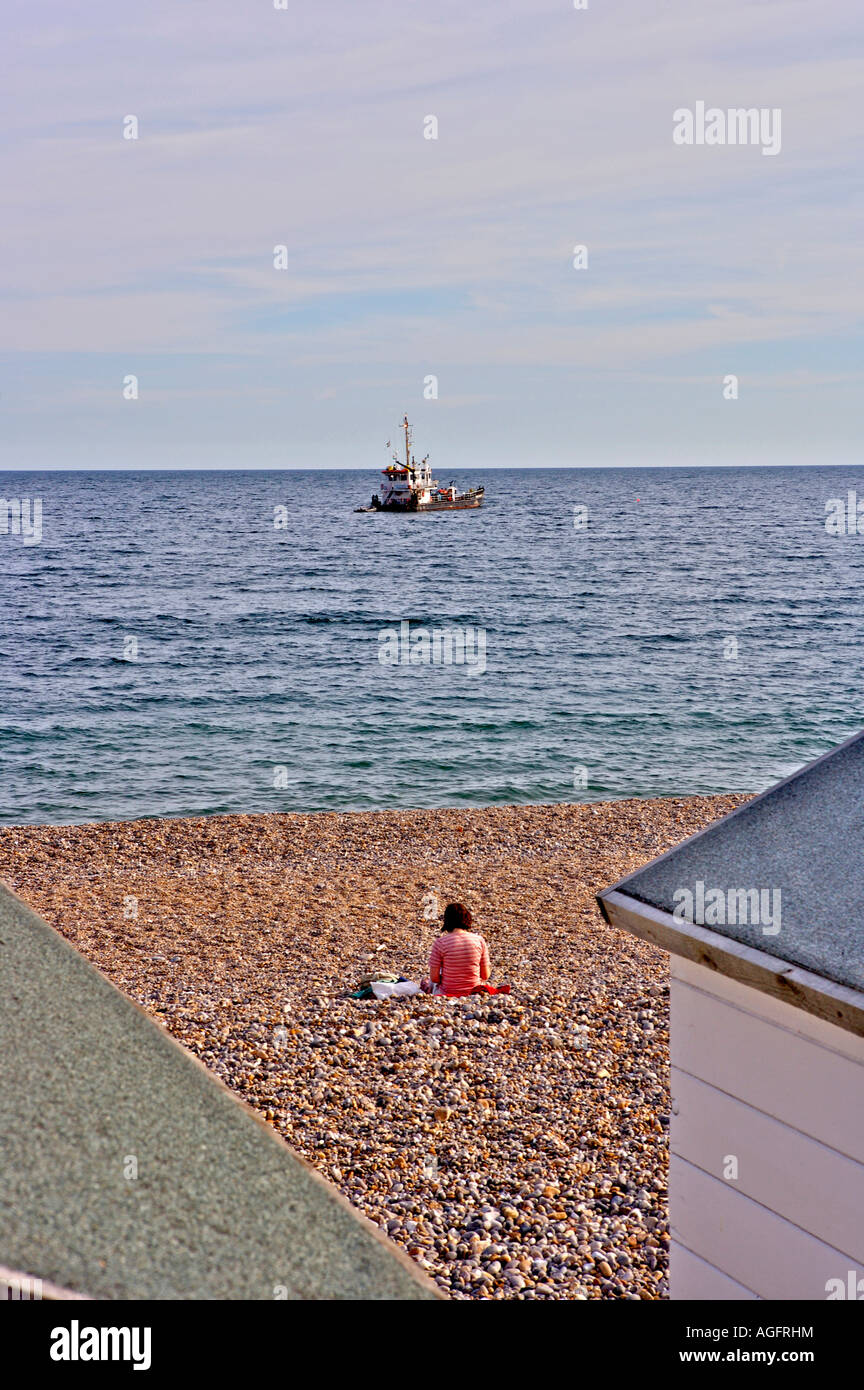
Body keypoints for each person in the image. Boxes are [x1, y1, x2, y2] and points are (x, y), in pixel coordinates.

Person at [421, 902, 504, 997]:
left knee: (427, 981)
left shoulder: (440, 943)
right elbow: (485, 975)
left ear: (447, 921)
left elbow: (434, 978)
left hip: (447, 992)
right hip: (474, 991)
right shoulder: (479, 940)